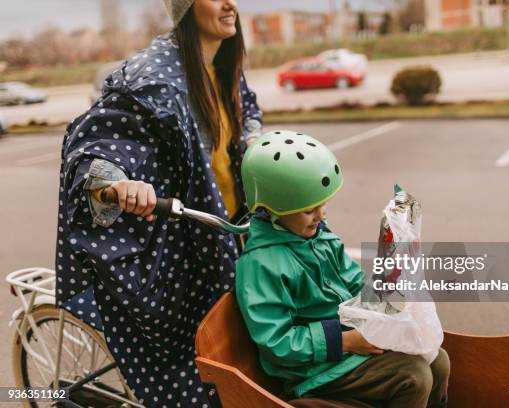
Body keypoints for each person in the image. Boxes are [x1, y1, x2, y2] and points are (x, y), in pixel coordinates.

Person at [55, 0, 262, 406]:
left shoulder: (223, 67)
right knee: (199, 372)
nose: (229, 3)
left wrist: (254, 141)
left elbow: (249, 110)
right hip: (189, 250)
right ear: (185, 8)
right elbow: (100, 141)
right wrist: (117, 181)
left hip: (233, 234)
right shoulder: (156, 76)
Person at [236, 130, 450, 408]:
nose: (321, 215)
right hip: (314, 369)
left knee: (439, 361)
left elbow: (355, 286)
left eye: (323, 205)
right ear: (274, 208)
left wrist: (390, 284)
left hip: (351, 343)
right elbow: (278, 342)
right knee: (413, 377)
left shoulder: (321, 239)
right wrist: (344, 341)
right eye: (309, 210)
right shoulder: (261, 264)